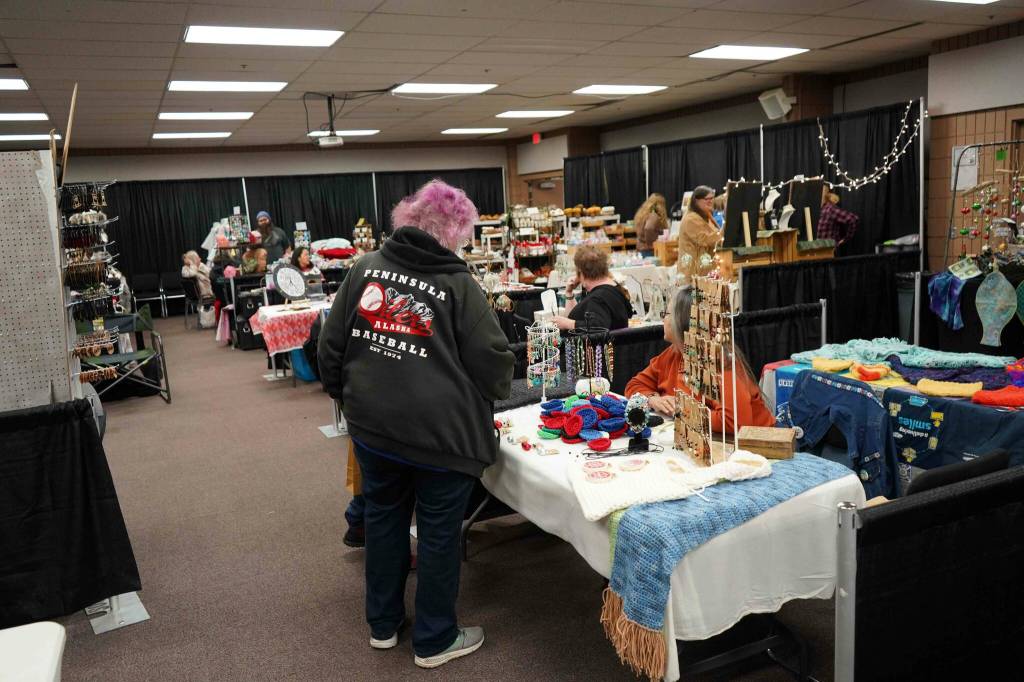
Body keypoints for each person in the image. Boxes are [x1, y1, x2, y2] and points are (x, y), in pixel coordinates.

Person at [318, 179, 514, 669]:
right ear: (454, 230)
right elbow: (493, 362)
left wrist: (349, 400)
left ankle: (382, 627)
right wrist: (492, 392)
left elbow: (330, 343)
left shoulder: (365, 268)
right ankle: (433, 639)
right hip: (440, 435)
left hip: (374, 429)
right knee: (438, 531)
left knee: (383, 518)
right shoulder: (459, 284)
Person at [625, 287, 774, 433]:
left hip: (758, 449)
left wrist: (682, 410)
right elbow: (634, 385)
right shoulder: (674, 353)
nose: (663, 319)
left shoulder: (719, 361)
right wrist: (653, 399)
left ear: (681, 321)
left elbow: (734, 422)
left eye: (666, 314)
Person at [551, 245, 633, 331]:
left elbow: (599, 327)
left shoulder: (597, 298)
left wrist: (568, 324)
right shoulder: (614, 288)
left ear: (581, 272)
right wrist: (569, 292)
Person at [677, 185, 723, 283]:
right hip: (692, 276)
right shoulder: (691, 219)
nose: (710, 201)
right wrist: (724, 232)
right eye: (707, 199)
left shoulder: (705, 215)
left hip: (703, 274)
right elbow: (706, 240)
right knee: (695, 298)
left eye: (712, 198)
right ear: (696, 201)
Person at [633, 193, 669, 258]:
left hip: (641, 249)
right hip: (649, 250)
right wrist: (651, 243)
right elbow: (648, 228)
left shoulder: (644, 213)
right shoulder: (654, 214)